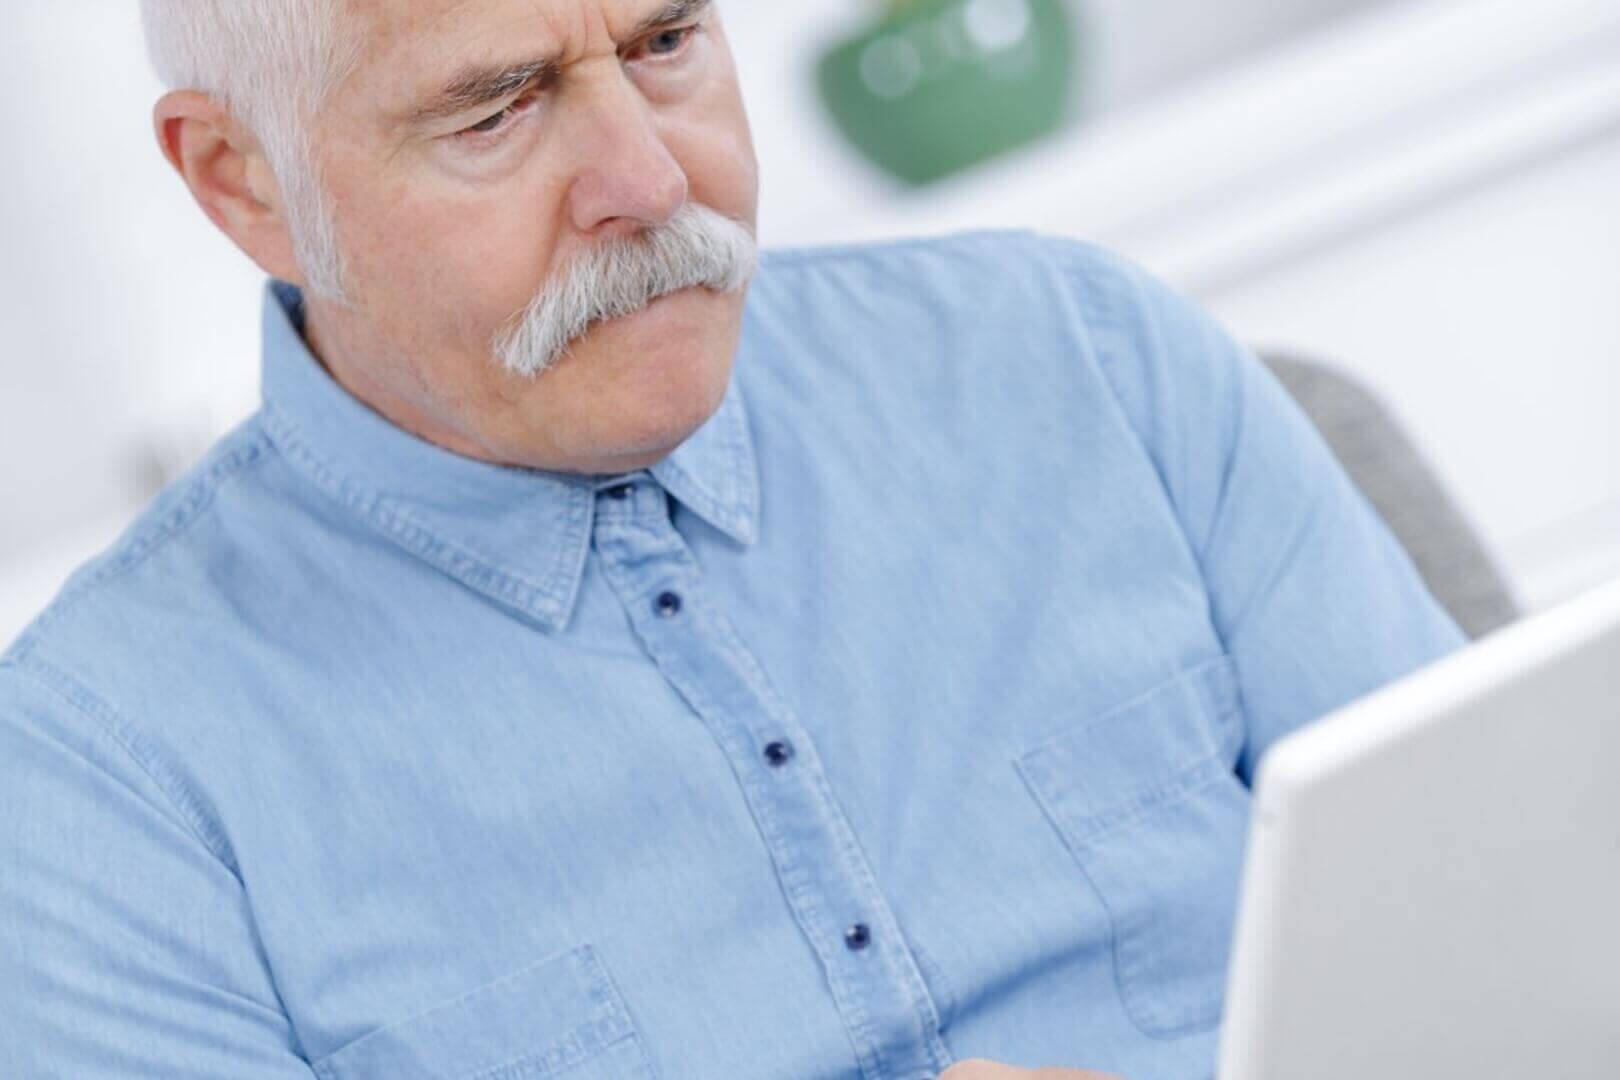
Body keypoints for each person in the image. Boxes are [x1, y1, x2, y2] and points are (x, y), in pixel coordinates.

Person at [0, 2, 1465, 1077]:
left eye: (665, 45)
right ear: (242, 182)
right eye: (496, 109)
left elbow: (1528, 948)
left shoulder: (1081, 359)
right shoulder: (101, 777)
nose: (648, 181)